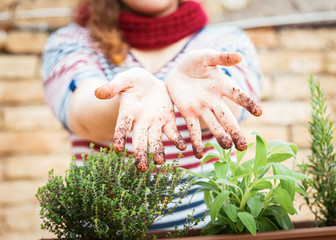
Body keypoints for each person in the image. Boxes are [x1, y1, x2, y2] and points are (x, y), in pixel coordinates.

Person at [42, 0, 262, 230]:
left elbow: (235, 102)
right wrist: (130, 95)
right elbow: (84, 115)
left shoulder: (226, 40)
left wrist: (197, 87)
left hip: (214, 231)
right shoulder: (72, 42)